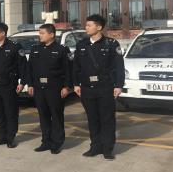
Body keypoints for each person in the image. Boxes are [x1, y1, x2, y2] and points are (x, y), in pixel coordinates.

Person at [73, 14, 125, 160]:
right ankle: (95, 147)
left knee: (107, 119)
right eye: (86, 25)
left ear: (99, 27)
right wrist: (76, 84)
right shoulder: (82, 44)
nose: (86, 27)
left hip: (105, 87)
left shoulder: (111, 44)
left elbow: (118, 66)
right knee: (92, 119)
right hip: (87, 88)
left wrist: (118, 85)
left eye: (89, 25)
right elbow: (76, 66)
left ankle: (107, 149)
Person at [26, 24, 72, 154]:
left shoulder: (61, 50)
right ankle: (46, 142)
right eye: (39, 33)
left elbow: (68, 70)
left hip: (55, 88)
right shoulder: (35, 49)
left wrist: (66, 87)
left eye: (42, 33)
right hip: (39, 88)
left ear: (51, 34)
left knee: (56, 116)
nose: (39, 35)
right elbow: (30, 69)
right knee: (43, 116)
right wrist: (30, 84)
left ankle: (57, 142)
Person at [0, 22, 27, 149]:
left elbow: (22, 66)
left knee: (10, 112)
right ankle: (1, 136)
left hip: (9, 85)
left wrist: (22, 82)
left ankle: (10, 137)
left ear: (3, 33)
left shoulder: (14, 47)